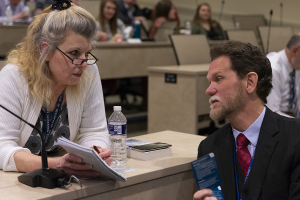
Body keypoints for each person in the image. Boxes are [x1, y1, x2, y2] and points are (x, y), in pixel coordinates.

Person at [0, 1, 112, 178]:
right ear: (46, 51)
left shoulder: (89, 72)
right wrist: (57, 164)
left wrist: (93, 154)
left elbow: (94, 131)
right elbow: (2, 148)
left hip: (56, 180)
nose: (83, 63)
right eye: (74, 53)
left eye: (87, 53)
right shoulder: (13, 76)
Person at [194, 40, 300, 200]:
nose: (209, 90)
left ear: (250, 82)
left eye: (219, 78)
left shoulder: (296, 137)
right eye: (209, 82)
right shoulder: (208, 149)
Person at [266, 35, 300, 118]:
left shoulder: (296, 65)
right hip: (277, 120)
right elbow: (272, 112)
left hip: (293, 117)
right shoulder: (273, 69)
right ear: (295, 50)